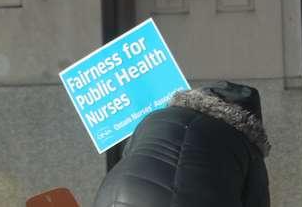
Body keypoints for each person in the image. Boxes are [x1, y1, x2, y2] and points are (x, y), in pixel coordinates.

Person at [91, 81, 270, 207]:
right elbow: (257, 200)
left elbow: (129, 155)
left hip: (113, 196)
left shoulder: (154, 118)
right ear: (252, 119)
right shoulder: (246, 143)